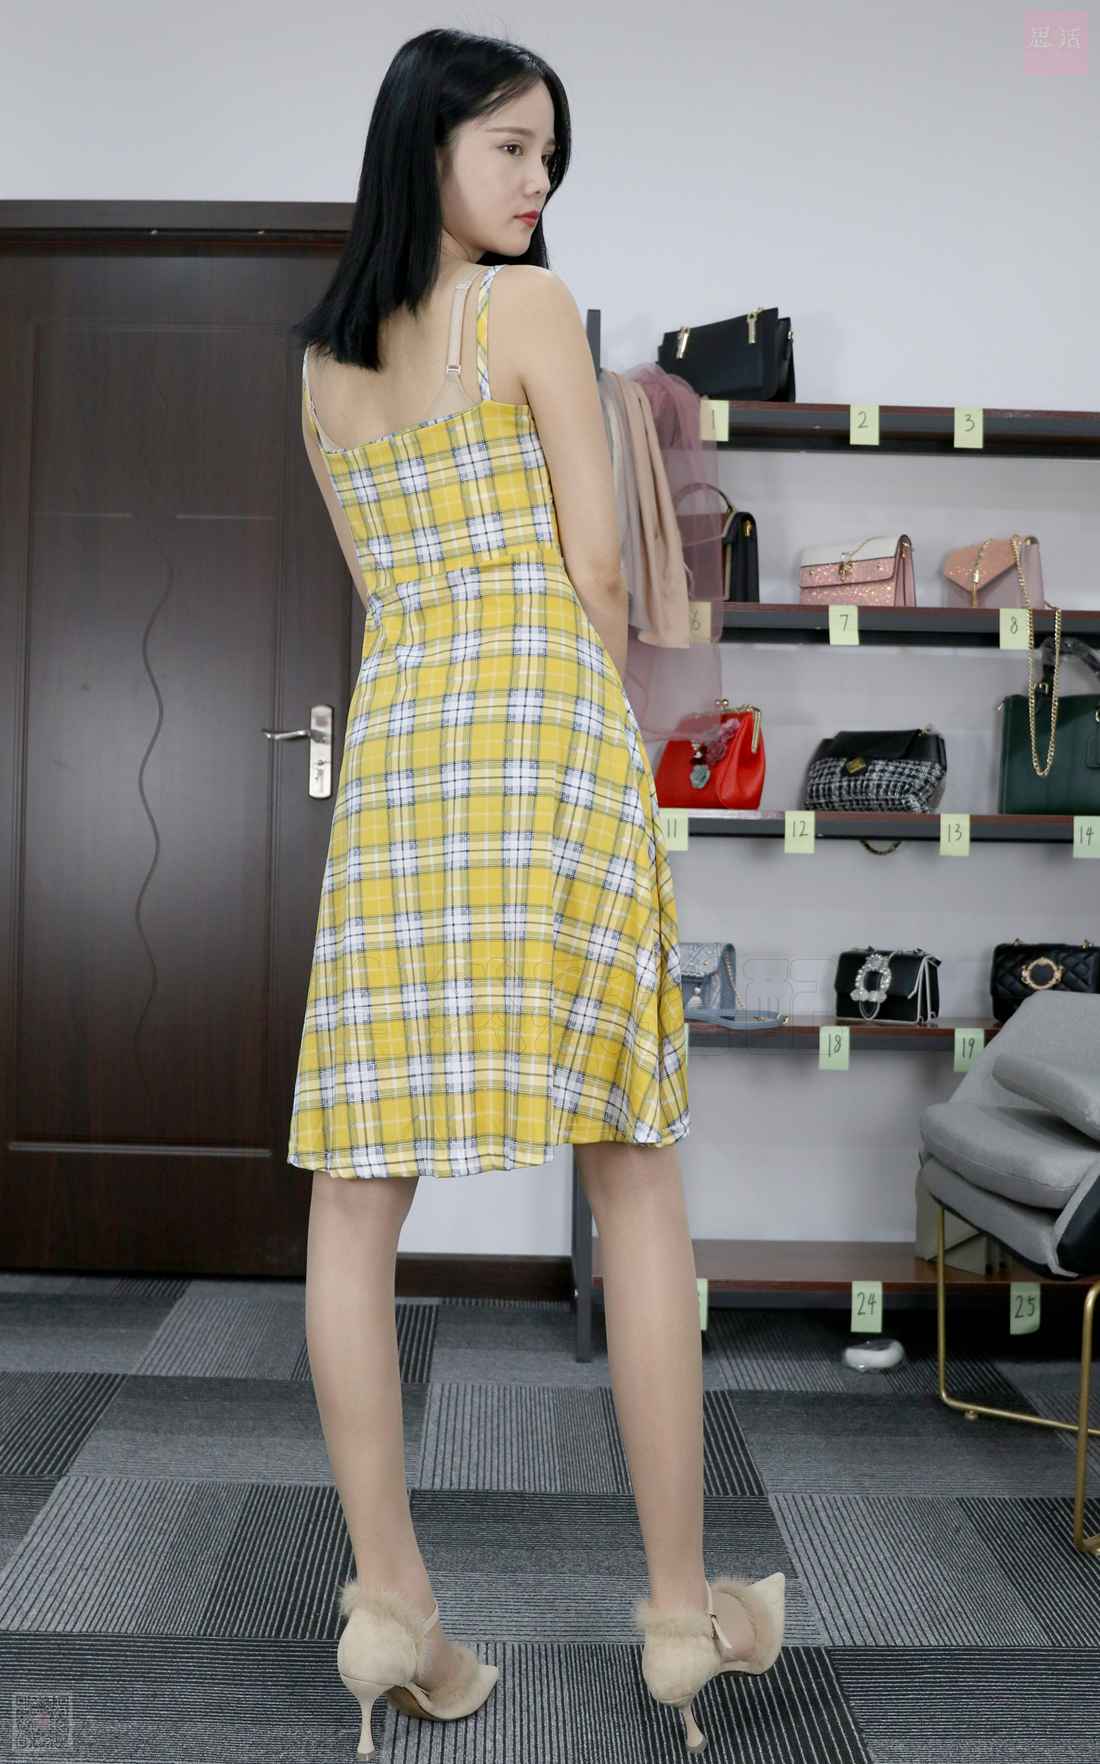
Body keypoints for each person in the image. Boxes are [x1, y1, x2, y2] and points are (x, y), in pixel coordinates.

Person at [288, 26, 782, 1755]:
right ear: (425, 143)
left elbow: (379, 590)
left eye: (549, 156)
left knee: (355, 1194)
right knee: (631, 1167)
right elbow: (594, 566)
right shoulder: (530, 310)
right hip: (547, 747)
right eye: (509, 146)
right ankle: (680, 1613)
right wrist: (614, 753)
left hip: (403, 763)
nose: (536, 180)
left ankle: (391, 1606)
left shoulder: (321, 370)